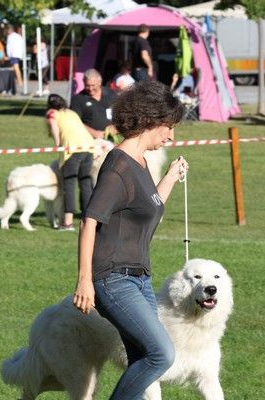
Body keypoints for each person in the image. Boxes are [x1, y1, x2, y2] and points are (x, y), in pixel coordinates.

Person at [73, 80, 187, 400]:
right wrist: (84, 281)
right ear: (150, 119)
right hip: (113, 278)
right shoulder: (119, 165)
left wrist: (171, 178)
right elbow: (89, 220)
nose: (171, 136)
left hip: (139, 279)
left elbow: (151, 207)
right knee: (161, 353)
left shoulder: (140, 164)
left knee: (142, 359)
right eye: (169, 127)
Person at [46, 94, 95, 231]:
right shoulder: (71, 112)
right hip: (88, 147)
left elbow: (54, 127)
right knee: (85, 183)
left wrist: (58, 143)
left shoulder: (52, 113)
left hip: (72, 149)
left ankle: (67, 222)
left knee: (69, 184)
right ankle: (88, 218)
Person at [71, 69, 116, 139]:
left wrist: (115, 127)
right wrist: (94, 132)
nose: (90, 88)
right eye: (87, 85)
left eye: (93, 85)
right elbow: (74, 121)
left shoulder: (111, 94)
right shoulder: (78, 99)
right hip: (89, 139)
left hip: (112, 138)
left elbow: (120, 113)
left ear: (100, 82)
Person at [6, 25, 24, 90]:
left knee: (16, 67)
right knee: (13, 68)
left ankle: (20, 81)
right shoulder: (19, 36)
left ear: (9, 30)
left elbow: (9, 46)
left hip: (13, 54)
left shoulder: (10, 37)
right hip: (18, 54)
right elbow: (22, 45)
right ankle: (14, 80)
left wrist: (8, 56)